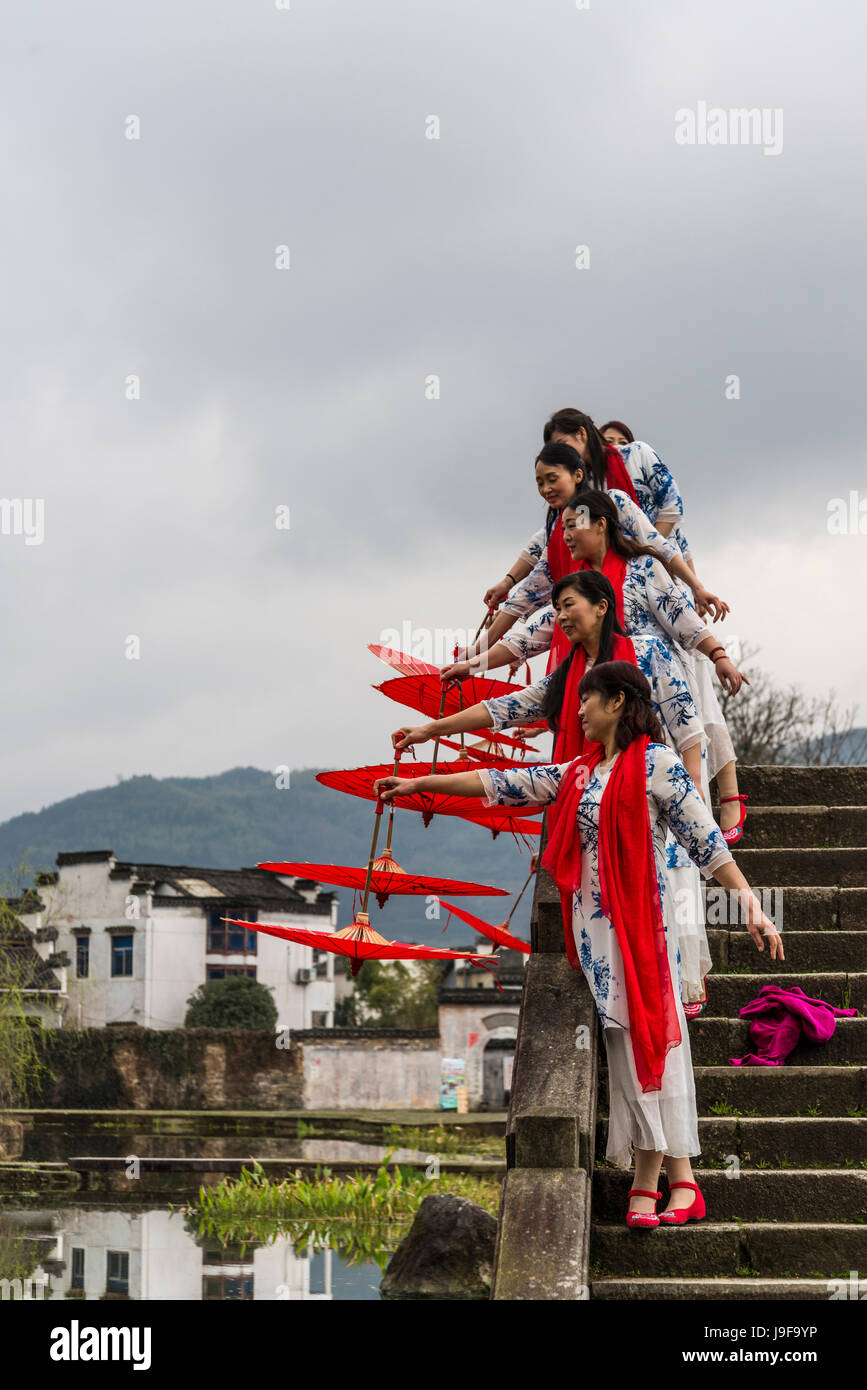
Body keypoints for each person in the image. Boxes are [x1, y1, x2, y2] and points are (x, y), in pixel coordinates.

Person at [373, 662, 784, 1224]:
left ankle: (650, 1180)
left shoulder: (658, 765)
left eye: (588, 700)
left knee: (651, 1041)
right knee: (627, 1047)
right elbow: (503, 784)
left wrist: (752, 904)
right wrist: (421, 785)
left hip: (644, 929)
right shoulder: (580, 772)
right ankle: (677, 1182)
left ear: (618, 702)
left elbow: (706, 840)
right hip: (596, 935)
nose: (580, 711)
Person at [391, 571, 713, 1007]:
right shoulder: (570, 677)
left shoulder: (650, 651)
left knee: (662, 901)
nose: (560, 615)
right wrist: (432, 729)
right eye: (556, 607)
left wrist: (688, 800)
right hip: (590, 793)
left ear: (602, 606)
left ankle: (677, 992)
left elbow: (688, 730)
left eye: (569, 604)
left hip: (651, 795)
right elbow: (507, 708)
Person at [456, 489, 750, 844]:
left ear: (601, 524)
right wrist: (474, 663)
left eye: (572, 525)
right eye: (560, 529)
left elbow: (684, 620)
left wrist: (719, 656)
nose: (564, 536)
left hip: (656, 700)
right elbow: (525, 639)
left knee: (667, 819)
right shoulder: (574, 591)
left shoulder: (643, 568)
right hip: (601, 716)